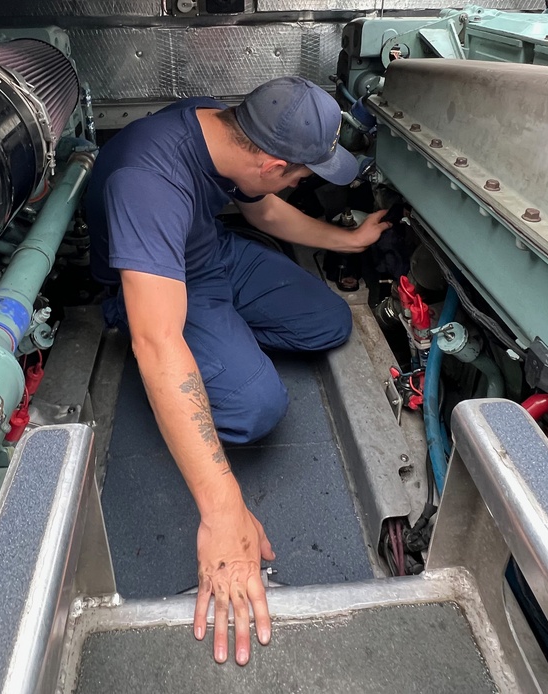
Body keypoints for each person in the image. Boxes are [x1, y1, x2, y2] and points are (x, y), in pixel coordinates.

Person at [84, 77, 391, 666]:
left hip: (214, 253)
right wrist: (223, 512)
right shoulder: (148, 183)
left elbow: (267, 208)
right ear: (274, 162)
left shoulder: (223, 127)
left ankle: (222, 350)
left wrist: (349, 242)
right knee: (256, 407)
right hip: (161, 287)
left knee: (328, 323)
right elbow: (156, 338)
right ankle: (217, 361)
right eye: (302, 175)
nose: (302, 185)